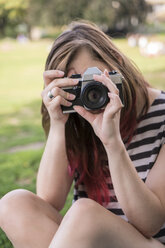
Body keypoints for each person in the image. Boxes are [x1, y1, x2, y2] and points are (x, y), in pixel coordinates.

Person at [0, 20, 165, 248]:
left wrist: (112, 142)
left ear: (116, 62)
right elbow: (49, 201)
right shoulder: (77, 118)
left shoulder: (162, 115)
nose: (89, 92)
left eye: (92, 79)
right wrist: (59, 124)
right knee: (13, 204)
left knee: (85, 214)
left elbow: (150, 223)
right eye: (75, 84)